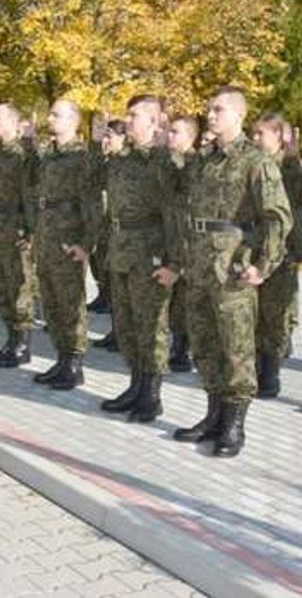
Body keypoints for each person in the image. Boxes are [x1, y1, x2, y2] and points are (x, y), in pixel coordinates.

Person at [172, 87, 291, 457]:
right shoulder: (203, 160)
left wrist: (263, 266)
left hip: (232, 268)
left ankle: (235, 425)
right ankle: (213, 415)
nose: (210, 115)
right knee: (205, 344)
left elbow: (278, 217)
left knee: (236, 348)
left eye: (218, 109)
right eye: (209, 109)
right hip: (200, 265)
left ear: (238, 116)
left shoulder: (256, 161)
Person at [98, 96, 181, 422]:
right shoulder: (122, 159)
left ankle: (152, 395)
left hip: (150, 251)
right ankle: (136, 384)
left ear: (155, 122)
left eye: (135, 116)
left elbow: (175, 214)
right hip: (121, 248)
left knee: (151, 326)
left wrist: (175, 262)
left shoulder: (164, 162)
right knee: (127, 324)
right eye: (128, 115)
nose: (128, 120)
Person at [32, 98, 101, 390]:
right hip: (47, 235)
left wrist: (86, 244)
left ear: (73, 120)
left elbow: (93, 205)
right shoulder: (50, 155)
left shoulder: (81, 158)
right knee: (50, 299)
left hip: (68, 238)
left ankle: (74, 362)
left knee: (71, 302)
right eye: (51, 114)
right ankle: (61, 357)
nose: (50, 119)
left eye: (56, 115)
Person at [251, 114, 302, 398]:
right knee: (253, 313)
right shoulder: (252, 164)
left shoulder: (292, 169)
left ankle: (271, 372)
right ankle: (254, 368)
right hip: (253, 249)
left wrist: (295, 250)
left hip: (282, 252)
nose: (254, 140)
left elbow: (299, 212)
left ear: (280, 137)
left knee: (275, 314)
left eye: (260, 134)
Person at [0, 103, 38, 368]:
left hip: (16, 223)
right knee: (2, 285)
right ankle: (10, 339)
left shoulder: (21, 155)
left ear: (15, 124)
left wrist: (30, 229)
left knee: (20, 286)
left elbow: (30, 193)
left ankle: (23, 345)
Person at [165, 114, 199, 373]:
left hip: (189, 240)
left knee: (187, 298)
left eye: (174, 132)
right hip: (170, 236)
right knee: (175, 299)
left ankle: (185, 349)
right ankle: (177, 344)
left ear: (190, 136)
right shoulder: (169, 160)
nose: (169, 136)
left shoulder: (195, 162)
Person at [88, 120, 125, 320]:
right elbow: (91, 178)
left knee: (117, 281)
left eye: (109, 136)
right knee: (102, 269)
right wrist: (96, 148)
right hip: (104, 224)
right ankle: (114, 325)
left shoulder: (126, 163)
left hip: (119, 229)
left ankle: (119, 329)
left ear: (123, 138)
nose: (106, 140)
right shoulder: (107, 162)